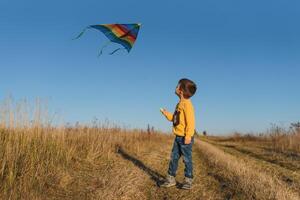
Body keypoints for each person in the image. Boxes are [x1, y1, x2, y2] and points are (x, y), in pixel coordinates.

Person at [160, 78, 197, 190]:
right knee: (174, 158)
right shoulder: (179, 104)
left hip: (185, 138)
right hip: (178, 137)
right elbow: (175, 119)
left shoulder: (187, 105)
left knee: (187, 159)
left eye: (177, 86)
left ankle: (188, 180)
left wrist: (188, 136)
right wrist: (166, 113)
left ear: (181, 90)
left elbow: (191, 122)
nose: (175, 87)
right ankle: (171, 179)